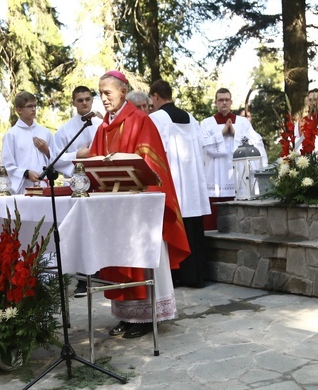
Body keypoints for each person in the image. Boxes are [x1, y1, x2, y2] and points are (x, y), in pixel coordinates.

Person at [87, 71, 190, 339]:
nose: (103, 98)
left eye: (107, 93)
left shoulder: (140, 121)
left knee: (140, 260)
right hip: (113, 206)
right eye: (100, 93)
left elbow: (153, 164)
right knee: (119, 260)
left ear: (122, 91)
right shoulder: (102, 128)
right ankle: (126, 315)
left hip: (138, 206)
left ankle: (147, 316)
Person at [148, 80, 211, 288]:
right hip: (191, 182)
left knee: (176, 227)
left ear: (156, 96)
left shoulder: (157, 118)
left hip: (173, 181)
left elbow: (153, 152)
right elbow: (202, 147)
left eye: (151, 99)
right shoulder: (191, 118)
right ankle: (198, 275)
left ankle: (177, 276)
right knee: (194, 227)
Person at [49, 86, 102, 298]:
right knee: (82, 229)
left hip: (100, 183)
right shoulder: (64, 130)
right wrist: (78, 154)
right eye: (80, 100)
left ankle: (103, 272)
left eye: (88, 99)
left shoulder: (102, 124)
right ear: (73, 102)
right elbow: (56, 158)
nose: (84, 103)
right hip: (77, 186)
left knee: (99, 229)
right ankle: (82, 279)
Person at [200, 88, 268, 230]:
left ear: (231, 102)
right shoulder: (206, 123)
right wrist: (222, 133)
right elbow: (202, 145)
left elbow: (257, 142)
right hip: (214, 179)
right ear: (215, 102)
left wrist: (235, 134)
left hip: (238, 179)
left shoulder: (242, 122)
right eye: (220, 100)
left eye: (226, 100)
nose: (224, 103)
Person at [0, 91, 52, 195]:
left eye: (34, 106)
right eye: (29, 106)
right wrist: (26, 173)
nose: (33, 109)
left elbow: (56, 158)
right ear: (19, 110)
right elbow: (6, 165)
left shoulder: (45, 132)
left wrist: (47, 151)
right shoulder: (11, 135)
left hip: (44, 186)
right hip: (23, 188)